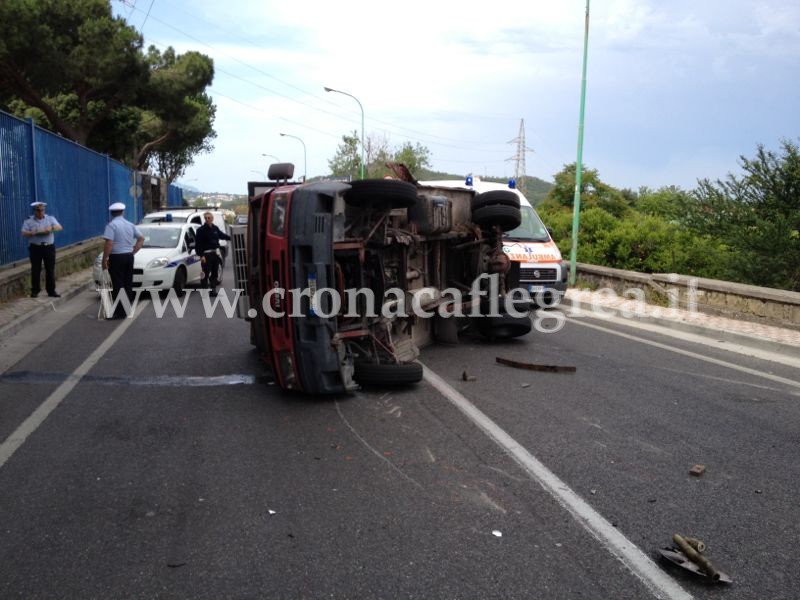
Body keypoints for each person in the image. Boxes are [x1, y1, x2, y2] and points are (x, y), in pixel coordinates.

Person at [101, 202, 144, 319]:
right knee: (127, 282)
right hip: (129, 256)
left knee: (118, 284)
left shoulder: (111, 226)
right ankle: (126, 309)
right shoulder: (130, 224)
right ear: (123, 212)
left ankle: (120, 312)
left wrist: (105, 259)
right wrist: (133, 251)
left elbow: (109, 243)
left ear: (111, 213)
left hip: (116, 257)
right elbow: (141, 238)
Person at [21, 201, 63, 298]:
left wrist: (51, 228)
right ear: (34, 211)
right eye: (38, 210)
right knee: (36, 269)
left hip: (48, 247)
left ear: (44, 210)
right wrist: (32, 233)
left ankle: (51, 290)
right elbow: (23, 232)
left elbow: (59, 227)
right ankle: (35, 291)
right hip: (35, 248)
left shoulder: (50, 219)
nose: (40, 212)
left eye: (42, 210)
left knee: (50, 269)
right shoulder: (28, 221)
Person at [194, 211, 231, 297]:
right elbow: (198, 244)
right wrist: (201, 255)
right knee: (205, 274)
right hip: (206, 255)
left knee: (215, 273)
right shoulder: (200, 230)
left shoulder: (215, 228)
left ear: (212, 219)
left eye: (209, 218)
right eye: (206, 218)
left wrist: (231, 237)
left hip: (215, 254)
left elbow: (222, 235)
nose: (207, 219)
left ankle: (213, 291)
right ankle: (204, 292)